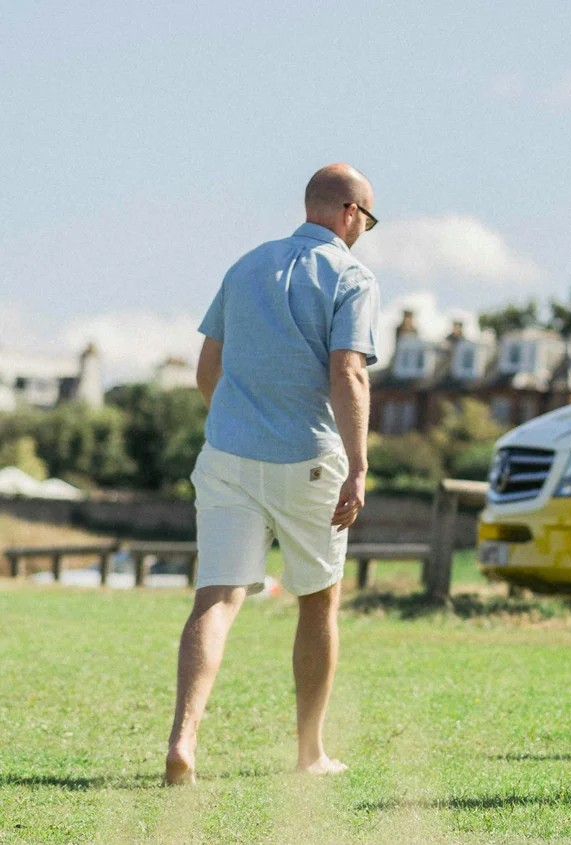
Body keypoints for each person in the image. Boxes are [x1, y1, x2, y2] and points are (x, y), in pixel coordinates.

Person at [164, 164, 381, 785]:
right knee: (318, 602)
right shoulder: (352, 275)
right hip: (309, 460)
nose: (363, 229)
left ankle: (183, 741)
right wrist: (360, 465)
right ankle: (309, 753)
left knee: (217, 597)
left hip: (228, 456)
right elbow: (349, 373)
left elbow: (210, 368)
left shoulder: (246, 265)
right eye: (366, 218)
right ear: (347, 212)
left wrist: (238, 422)